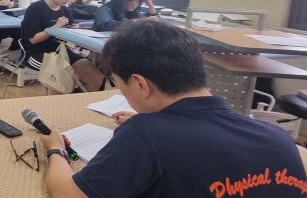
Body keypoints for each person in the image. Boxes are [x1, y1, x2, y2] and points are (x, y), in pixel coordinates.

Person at [41, 21, 307, 198]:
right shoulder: (277, 137)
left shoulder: (145, 134)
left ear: (140, 84)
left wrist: (56, 150)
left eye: (122, 88)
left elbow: (69, 194)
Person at [20, 0, 105, 89]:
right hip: (36, 53)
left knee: (95, 75)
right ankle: (63, 99)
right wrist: (55, 27)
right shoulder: (35, 9)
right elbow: (33, 40)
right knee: (65, 78)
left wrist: (74, 29)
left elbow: (69, 31)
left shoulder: (65, 10)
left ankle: (82, 99)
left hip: (63, 51)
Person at [93, 0, 158, 31]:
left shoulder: (133, 12)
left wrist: (150, 5)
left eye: (138, 1)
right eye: (130, 0)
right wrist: (140, 21)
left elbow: (154, 22)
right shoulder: (105, 9)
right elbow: (105, 26)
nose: (134, 4)